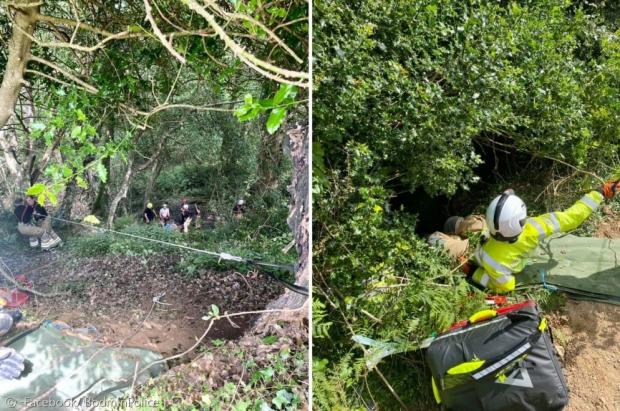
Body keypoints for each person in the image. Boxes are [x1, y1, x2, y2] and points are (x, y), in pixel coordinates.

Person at [443, 181, 620, 293]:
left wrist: (473, 271)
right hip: (486, 242)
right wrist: (600, 192)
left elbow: (505, 287)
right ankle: (457, 228)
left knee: (439, 241)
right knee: (471, 223)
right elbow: (572, 217)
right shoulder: (535, 227)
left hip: (475, 255)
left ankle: (448, 233)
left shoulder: (493, 261)